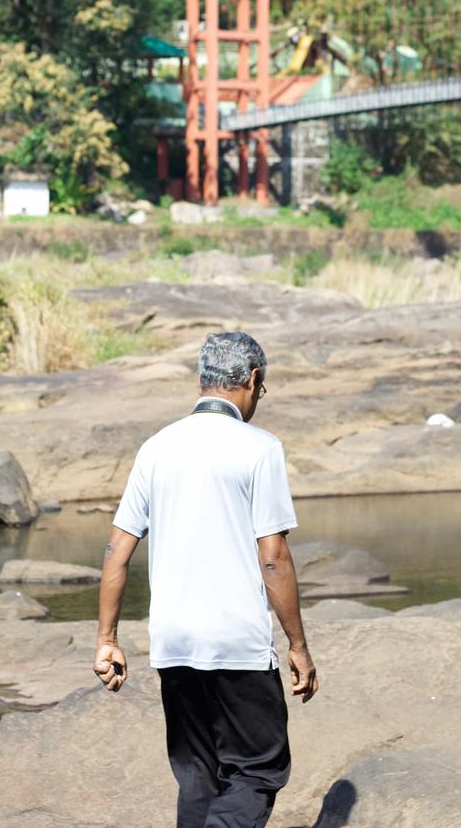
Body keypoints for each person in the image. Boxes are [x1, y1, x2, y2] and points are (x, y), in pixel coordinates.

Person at [93, 330, 318, 828]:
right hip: (237, 643)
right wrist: (297, 645)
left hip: (173, 643)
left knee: (198, 775)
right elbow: (275, 557)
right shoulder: (260, 448)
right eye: (262, 389)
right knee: (258, 771)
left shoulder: (156, 448)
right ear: (253, 381)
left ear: (201, 381)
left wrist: (107, 639)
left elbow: (117, 550)